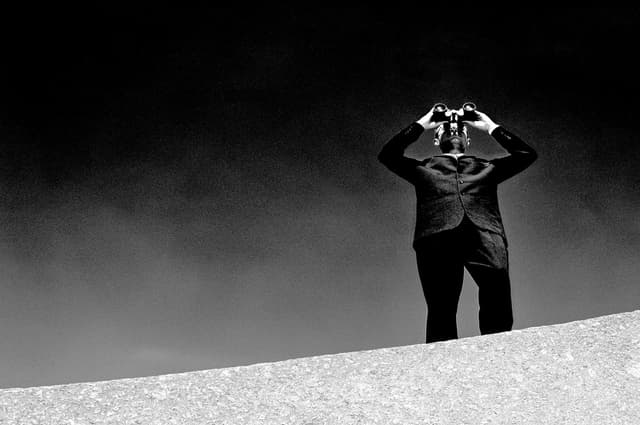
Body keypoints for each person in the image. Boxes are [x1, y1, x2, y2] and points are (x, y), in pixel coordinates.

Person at [378, 104, 537, 343]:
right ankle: (442, 364)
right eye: (445, 129)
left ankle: (498, 352)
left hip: (485, 234)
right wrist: (425, 122)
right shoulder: (423, 168)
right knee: (441, 307)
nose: (454, 130)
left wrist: (489, 126)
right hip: (436, 237)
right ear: (436, 140)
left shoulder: (487, 167)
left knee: (497, 296)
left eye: (461, 129)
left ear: (467, 140)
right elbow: (388, 155)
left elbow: (526, 155)